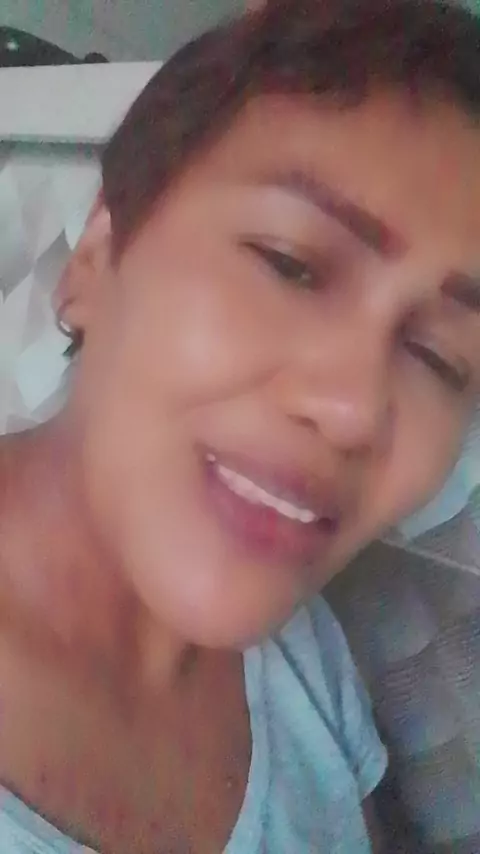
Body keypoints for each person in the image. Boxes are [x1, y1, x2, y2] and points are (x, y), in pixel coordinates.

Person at [0, 0, 479, 851]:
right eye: (291, 265)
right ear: (97, 256)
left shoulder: (304, 658)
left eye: (440, 357)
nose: (354, 411)